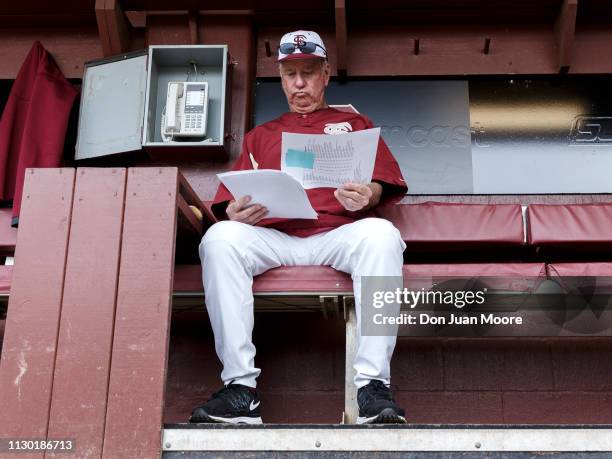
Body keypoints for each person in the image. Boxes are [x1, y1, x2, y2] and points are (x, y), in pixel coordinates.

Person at [190, 30, 408, 425]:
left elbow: (385, 183)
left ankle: (373, 387)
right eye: (291, 74)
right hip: (277, 238)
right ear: (282, 77)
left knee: (382, 236)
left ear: (325, 74)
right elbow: (228, 202)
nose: (300, 83)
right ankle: (240, 389)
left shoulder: (354, 123)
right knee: (220, 238)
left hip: (338, 235)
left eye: (308, 72)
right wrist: (235, 213)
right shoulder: (261, 136)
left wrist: (370, 194)